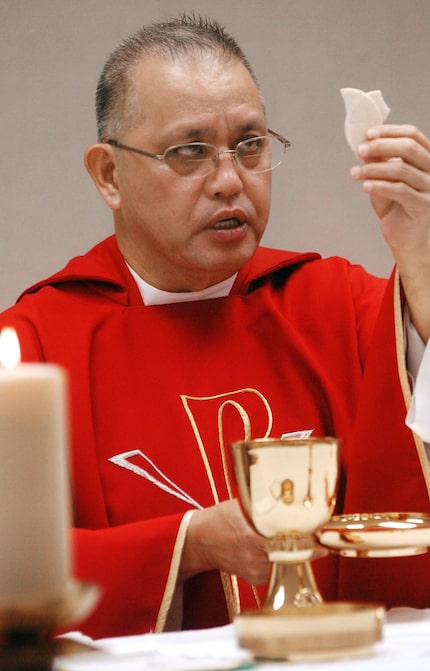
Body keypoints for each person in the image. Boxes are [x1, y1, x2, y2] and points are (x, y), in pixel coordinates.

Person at [2, 13, 430, 638]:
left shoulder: (339, 305)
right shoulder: (34, 347)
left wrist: (422, 267)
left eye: (250, 145)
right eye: (190, 152)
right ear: (109, 175)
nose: (230, 181)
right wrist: (188, 543)